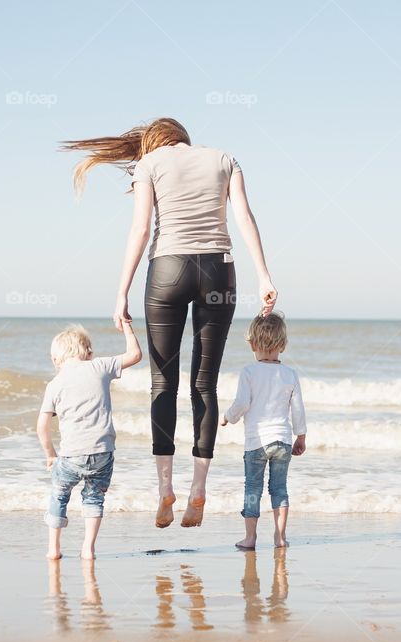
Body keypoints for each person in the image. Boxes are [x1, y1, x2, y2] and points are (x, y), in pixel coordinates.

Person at [61, 118, 278, 530]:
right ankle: (199, 489)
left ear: (155, 141)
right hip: (219, 271)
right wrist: (264, 276)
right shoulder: (224, 159)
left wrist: (121, 291)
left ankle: (165, 490)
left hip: (167, 271)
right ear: (184, 139)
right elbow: (245, 217)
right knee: (204, 385)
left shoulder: (150, 164)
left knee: (163, 384)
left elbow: (141, 229)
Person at [36, 322, 142, 559]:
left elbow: (42, 426)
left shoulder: (54, 384)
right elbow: (135, 355)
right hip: (102, 452)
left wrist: (50, 455)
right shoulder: (100, 366)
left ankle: (53, 549)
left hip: (70, 455)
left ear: (55, 360)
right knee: (94, 498)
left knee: (59, 494)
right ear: (89, 352)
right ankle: (88, 549)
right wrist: (127, 327)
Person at [221, 312, 306, 549]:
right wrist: (301, 436)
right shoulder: (290, 374)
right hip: (282, 441)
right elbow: (298, 409)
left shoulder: (249, 372)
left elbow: (242, 404)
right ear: (283, 345)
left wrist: (227, 417)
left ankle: (250, 538)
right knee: (279, 488)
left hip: (256, 442)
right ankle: (280, 537)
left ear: (252, 345)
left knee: (253, 488)